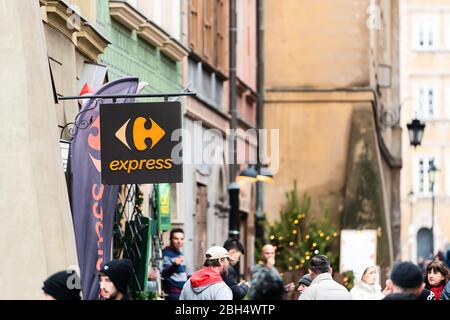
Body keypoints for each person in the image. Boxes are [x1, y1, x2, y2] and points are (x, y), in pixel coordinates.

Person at [161, 228, 187, 300]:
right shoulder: (166, 253)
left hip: (181, 293)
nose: (179, 241)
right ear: (170, 239)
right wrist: (175, 265)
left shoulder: (180, 254)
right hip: (173, 294)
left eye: (181, 239)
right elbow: (164, 274)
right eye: (176, 238)